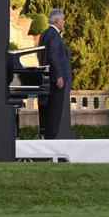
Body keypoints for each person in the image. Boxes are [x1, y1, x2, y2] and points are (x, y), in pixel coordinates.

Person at [38, 8, 73, 139]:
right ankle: (50, 139)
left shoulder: (45, 33)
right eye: (63, 19)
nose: (64, 22)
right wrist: (58, 76)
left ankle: (47, 136)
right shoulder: (53, 35)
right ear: (57, 20)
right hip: (54, 79)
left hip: (48, 77)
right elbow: (54, 55)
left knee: (49, 110)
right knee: (55, 110)